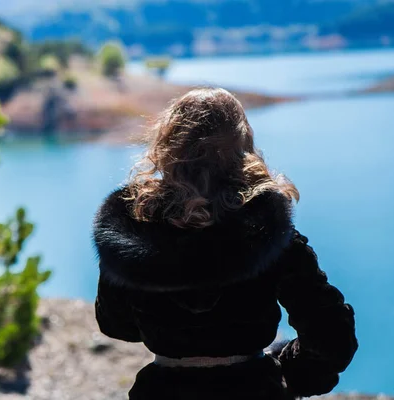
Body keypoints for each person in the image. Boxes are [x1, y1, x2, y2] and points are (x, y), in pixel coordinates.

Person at [92, 88, 358, 399]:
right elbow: (332, 336)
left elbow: (115, 324)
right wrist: (291, 374)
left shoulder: (132, 231)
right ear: (243, 146)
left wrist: (173, 331)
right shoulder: (266, 231)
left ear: (167, 146)